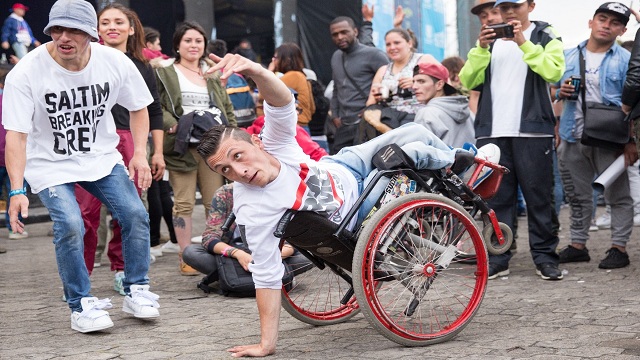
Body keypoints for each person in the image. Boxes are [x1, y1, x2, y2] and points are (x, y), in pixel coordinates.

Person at [196, 52, 476, 358]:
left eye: (238, 156)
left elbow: (281, 104)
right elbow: (266, 274)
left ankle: (459, 165)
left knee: (415, 131)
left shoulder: (274, 141)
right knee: (412, 152)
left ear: (256, 142)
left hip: (342, 166)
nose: (239, 172)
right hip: (362, 206)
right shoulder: (252, 208)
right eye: (225, 170)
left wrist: (256, 71)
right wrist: (267, 344)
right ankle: (468, 162)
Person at [3, 0, 160, 333]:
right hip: (49, 164)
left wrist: (140, 154)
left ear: (91, 34)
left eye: (74, 30)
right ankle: (80, 305)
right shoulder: (26, 72)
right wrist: (16, 189)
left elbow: (140, 108)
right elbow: (15, 137)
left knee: (134, 214)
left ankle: (137, 290)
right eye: (57, 29)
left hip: (101, 158)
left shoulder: (114, 62)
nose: (64, 37)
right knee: (72, 224)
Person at [459, 0, 565, 280]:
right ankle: (498, 257)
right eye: (503, 6)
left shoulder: (545, 35)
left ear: (530, 5)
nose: (508, 12)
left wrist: (522, 42)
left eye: (514, 6)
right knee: (497, 199)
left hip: (533, 131)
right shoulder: (489, 40)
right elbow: (468, 80)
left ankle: (545, 258)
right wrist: (480, 48)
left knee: (539, 198)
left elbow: (554, 72)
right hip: (492, 131)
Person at [73, 3, 165, 291]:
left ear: (131, 28)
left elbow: (155, 111)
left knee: (127, 212)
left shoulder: (142, 67)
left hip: (130, 141)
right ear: (96, 29)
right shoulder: (82, 62)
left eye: (118, 22)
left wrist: (156, 151)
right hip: (88, 141)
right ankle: (81, 273)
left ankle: (122, 269)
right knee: (83, 214)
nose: (112, 27)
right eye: (105, 22)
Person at [553, 2, 635, 269]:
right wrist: (559, 93)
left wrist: (632, 142)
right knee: (576, 196)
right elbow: (552, 92)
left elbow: (635, 103)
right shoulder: (567, 55)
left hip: (610, 138)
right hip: (571, 134)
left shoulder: (626, 60)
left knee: (617, 195)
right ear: (591, 22)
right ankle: (578, 245)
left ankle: (618, 248)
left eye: (614, 23)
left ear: (622, 29)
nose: (606, 25)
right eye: (602, 19)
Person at [155, 21, 237, 275]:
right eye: (188, 40)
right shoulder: (165, 72)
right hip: (181, 146)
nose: (193, 45)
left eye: (198, 41)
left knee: (217, 201)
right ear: (177, 45)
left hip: (213, 147)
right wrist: (172, 125)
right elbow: (158, 107)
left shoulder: (212, 73)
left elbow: (226, 108)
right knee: (183, 203)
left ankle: (218, 250)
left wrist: (234, 135)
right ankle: (185, 255)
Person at [364, 62, 474, 149]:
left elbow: (415, 154)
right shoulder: (467, 110)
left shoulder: (427, 113)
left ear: (439, 84)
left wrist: (379, 125)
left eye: (421, 81)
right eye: (414, 81)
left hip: (442, 176)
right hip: (471, 175)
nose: (414, 86)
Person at [328, 16, 388, 154]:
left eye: (344, 32)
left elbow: (388, 86)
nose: (340, 37)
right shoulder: (336, 56)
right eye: (335, 34)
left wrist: (372, 109)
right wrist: (335, 116)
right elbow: (336, 88)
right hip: (343, 125)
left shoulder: (374, 55)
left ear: (355, 31)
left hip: (367, 123)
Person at [366, 28, 438, 114]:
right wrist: (377, 96)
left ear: (409, 43)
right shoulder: (383, 70)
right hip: (389, 121)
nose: (392, 47)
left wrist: (417, 83)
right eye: (388, 44)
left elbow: (443, 86)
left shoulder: (424, 60)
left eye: (397, 43)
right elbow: (370, 103)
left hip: (420, 118)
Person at [268, 43, 315, 131]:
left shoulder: (292, 76)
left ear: (287, 60)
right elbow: (312, 108)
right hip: (302, 127)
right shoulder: (302, 76)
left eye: (276, 58)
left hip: (294, 127)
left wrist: (269, 72)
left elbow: (265, 94)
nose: (273, 61)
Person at [468, 0, 503, 115]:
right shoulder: (481, 46)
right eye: (483, 16)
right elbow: (473, 90)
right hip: (491, 119)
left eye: (495, 12)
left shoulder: (528, 40)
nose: (490, 18)